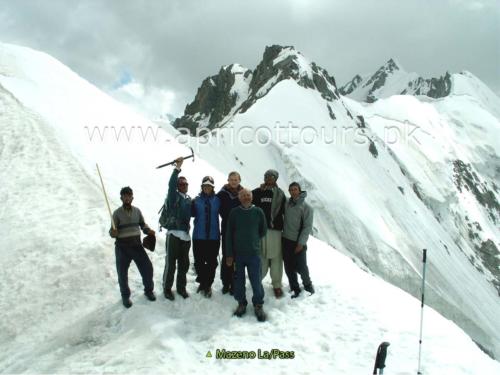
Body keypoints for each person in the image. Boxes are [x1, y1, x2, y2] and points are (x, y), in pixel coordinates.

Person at [109, 186, 156, 308]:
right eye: (124, 196)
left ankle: (149, 291)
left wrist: (148, 230)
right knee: (122, 274)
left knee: (147, 268)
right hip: (122, 248)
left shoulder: (137, 211)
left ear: (132, 197)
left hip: (136, 245)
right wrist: (113, 233)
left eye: (129, 195)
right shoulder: (117, 213)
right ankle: (125, 296)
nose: (127, 198)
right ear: (121, 198)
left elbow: (142, 224)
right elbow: (112, 231)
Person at [226, 189, 268, 322]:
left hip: (254, 254)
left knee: (256, 281)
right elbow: (228, 234)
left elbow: (263, 230)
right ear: (239, 198)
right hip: (238, 255)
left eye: (248, 195)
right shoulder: (234, 213)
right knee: (239, 282)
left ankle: (258, 304)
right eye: (243, 195)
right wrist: (229, 254)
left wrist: (253, 240)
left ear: (252, 197)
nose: (246, 197)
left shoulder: (258, 212)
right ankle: (241, 303)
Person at [252, 169, 286, 298]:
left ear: (276, 178)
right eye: (266, 176)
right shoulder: (258, 192)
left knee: (277, 258)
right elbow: (245, 197)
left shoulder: (281, 195)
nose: (268, 178)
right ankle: (257, 280)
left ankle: (277, 285)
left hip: (276, 230)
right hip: (261, 230)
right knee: (261, 256)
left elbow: (285, 212)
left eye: (271, 176)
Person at [161, 157, 192, 300]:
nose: (183, 185)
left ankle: (181, 288)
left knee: (184, 264)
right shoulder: (173, 196)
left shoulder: (188, 199)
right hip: (173, 234)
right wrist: (177, 169)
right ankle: (167, 288)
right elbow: (171, 184)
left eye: (185, 184)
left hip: (186, 237)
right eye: (181, 184)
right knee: (171, 264)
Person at [282, 182, 315, 299]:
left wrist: (301, 243)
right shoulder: (287, 203)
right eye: (291, 190)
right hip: (285, 240)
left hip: (298, 242)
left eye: (295, 189)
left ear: (300, 191)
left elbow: (307, 227)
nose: (293, 191)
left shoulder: (307, 208)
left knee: (302, 266)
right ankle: (294, 287)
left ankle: (308, 285)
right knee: (288, 267)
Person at [191, 176, 221, 297]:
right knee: (199, 262)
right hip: (199, 236)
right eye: (205, 186)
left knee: (212, 262)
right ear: (202, 187)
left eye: (209, 186)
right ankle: (202, 282)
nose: (207, 188)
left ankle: (208, 284)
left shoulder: (218, 200)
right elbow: (189, 213)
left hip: (213, 237)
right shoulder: (196, 200)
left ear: (213, 187)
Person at [216, 171, 243, 295]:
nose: (233, 181)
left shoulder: (243, 194)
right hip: (226, 228)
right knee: (227, 256)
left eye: (236, 179)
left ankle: (235, 283)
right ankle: (226, 283)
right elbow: (213, 203)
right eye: (231, 179)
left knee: (237, 257)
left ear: (239, 180)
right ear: (228, 180)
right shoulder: (222, 194)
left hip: (239, 230)